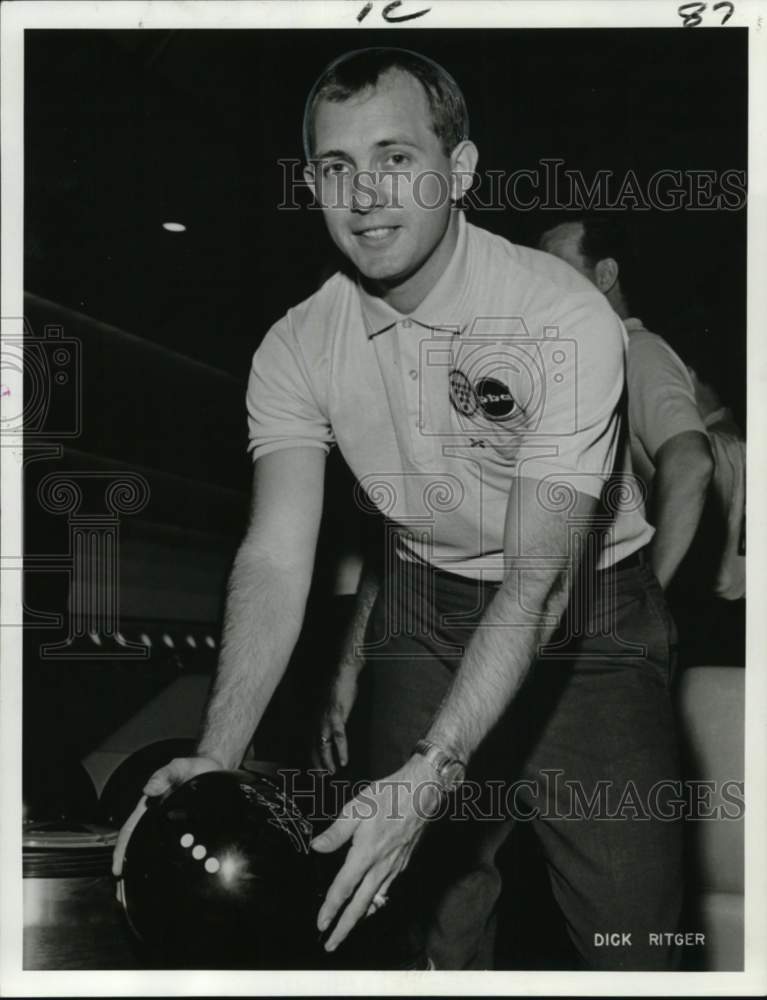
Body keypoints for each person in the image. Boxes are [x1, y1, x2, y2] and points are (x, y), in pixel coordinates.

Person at [115, 48, 683, 971]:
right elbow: (274, 557)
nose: (365, 193)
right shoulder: (296, 347)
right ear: (312, 184)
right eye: (337, 167)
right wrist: (219, 756)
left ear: (457, 172)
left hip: (587, 612)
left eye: (395, 158)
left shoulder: (561, 317)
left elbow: (538, 586)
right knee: (414, 918)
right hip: (426, 603)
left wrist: (431, 775)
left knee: (637, 937)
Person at [537, 216, 714, 591]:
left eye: (557, 270)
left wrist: (649, 593)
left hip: (620, 608)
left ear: (604, 276)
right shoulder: (593, 359)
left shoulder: (638, 352)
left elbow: (691, 462)